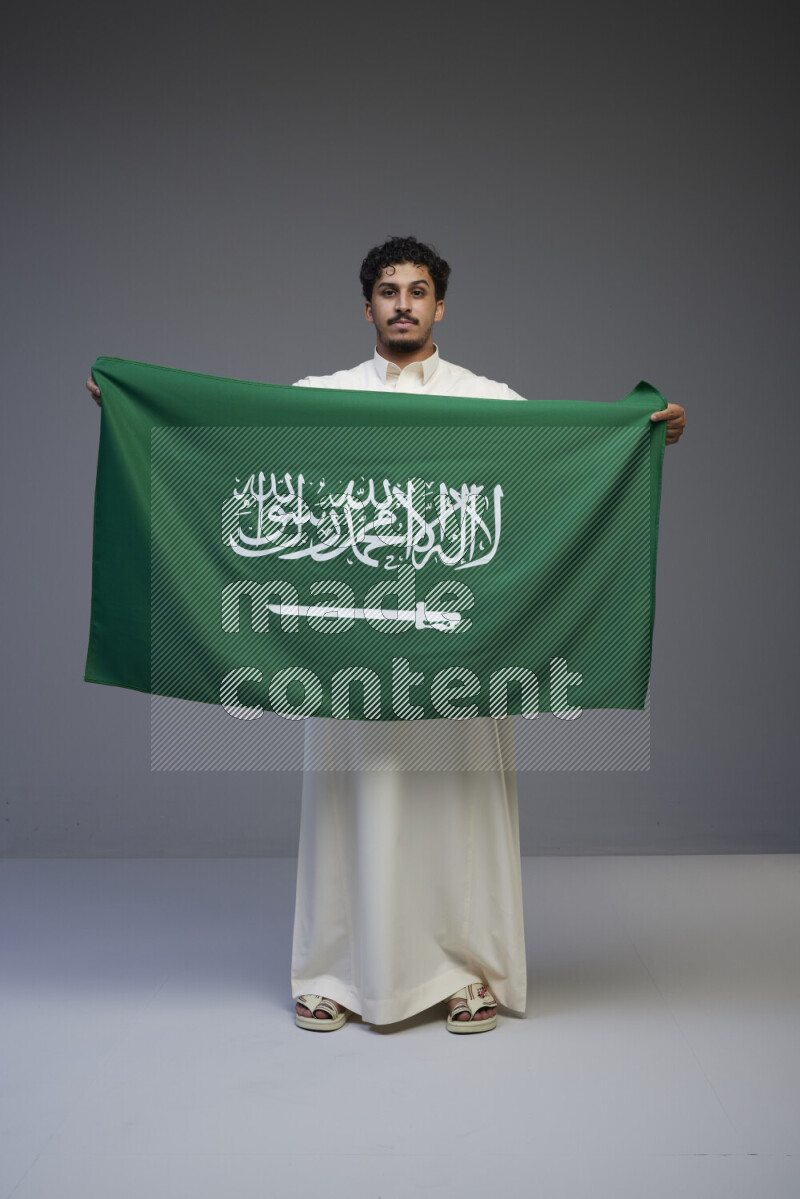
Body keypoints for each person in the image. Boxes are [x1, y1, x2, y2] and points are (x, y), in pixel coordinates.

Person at [85, 236, 686, 1035]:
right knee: (347, 807)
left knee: (459, 809)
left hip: (463, 654)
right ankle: (332, 971)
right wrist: (133, 408)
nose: (403, 303)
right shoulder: (321, 399)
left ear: (441, 305)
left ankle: (467, 972)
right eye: (388, 291)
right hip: (349, 657)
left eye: (419, 290)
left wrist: (641, 438)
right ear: (366, 306)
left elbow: (563, 466)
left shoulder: (487, 399)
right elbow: (224, 444)